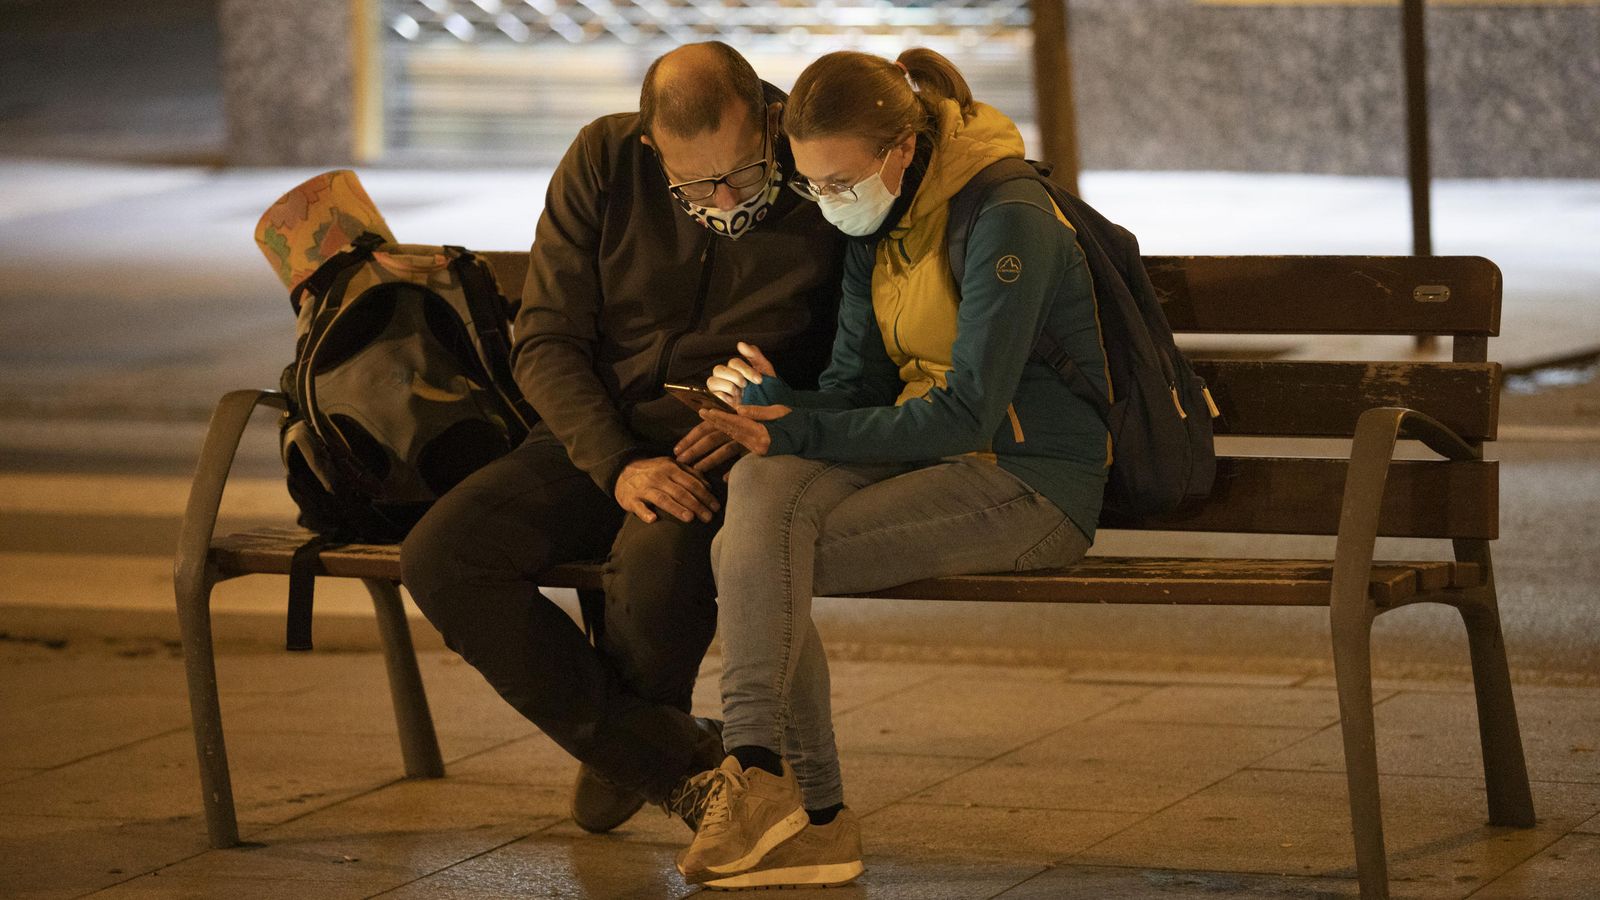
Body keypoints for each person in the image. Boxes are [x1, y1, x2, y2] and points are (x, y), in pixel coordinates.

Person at [674, 48, 1115, 889]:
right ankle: (787, 796)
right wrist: (782, 410)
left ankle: (789, 796)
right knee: (759, 492)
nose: (830, 203)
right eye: (814, 185)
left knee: (758, 558)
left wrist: (797, 432)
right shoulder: (880, 223)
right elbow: (858, 388)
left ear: (902, 151)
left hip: (1029, 479)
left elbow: (970, 412)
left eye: (842, 183)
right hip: (937, 459)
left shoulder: (1007, 214)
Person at [399, 42, 843, 835]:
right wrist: (616, 461)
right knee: (442, 554)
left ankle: (633, 751)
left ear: (769, 124)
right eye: (691, 183)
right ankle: (669, 761)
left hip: (732, 445)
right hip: (597, 435)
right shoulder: (606, 158)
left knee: (658, 557)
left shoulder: (820, 168)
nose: (719, 198)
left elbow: (861, 357)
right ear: (650, 147)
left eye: (739, 175)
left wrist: (777, 415)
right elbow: (544, 340)